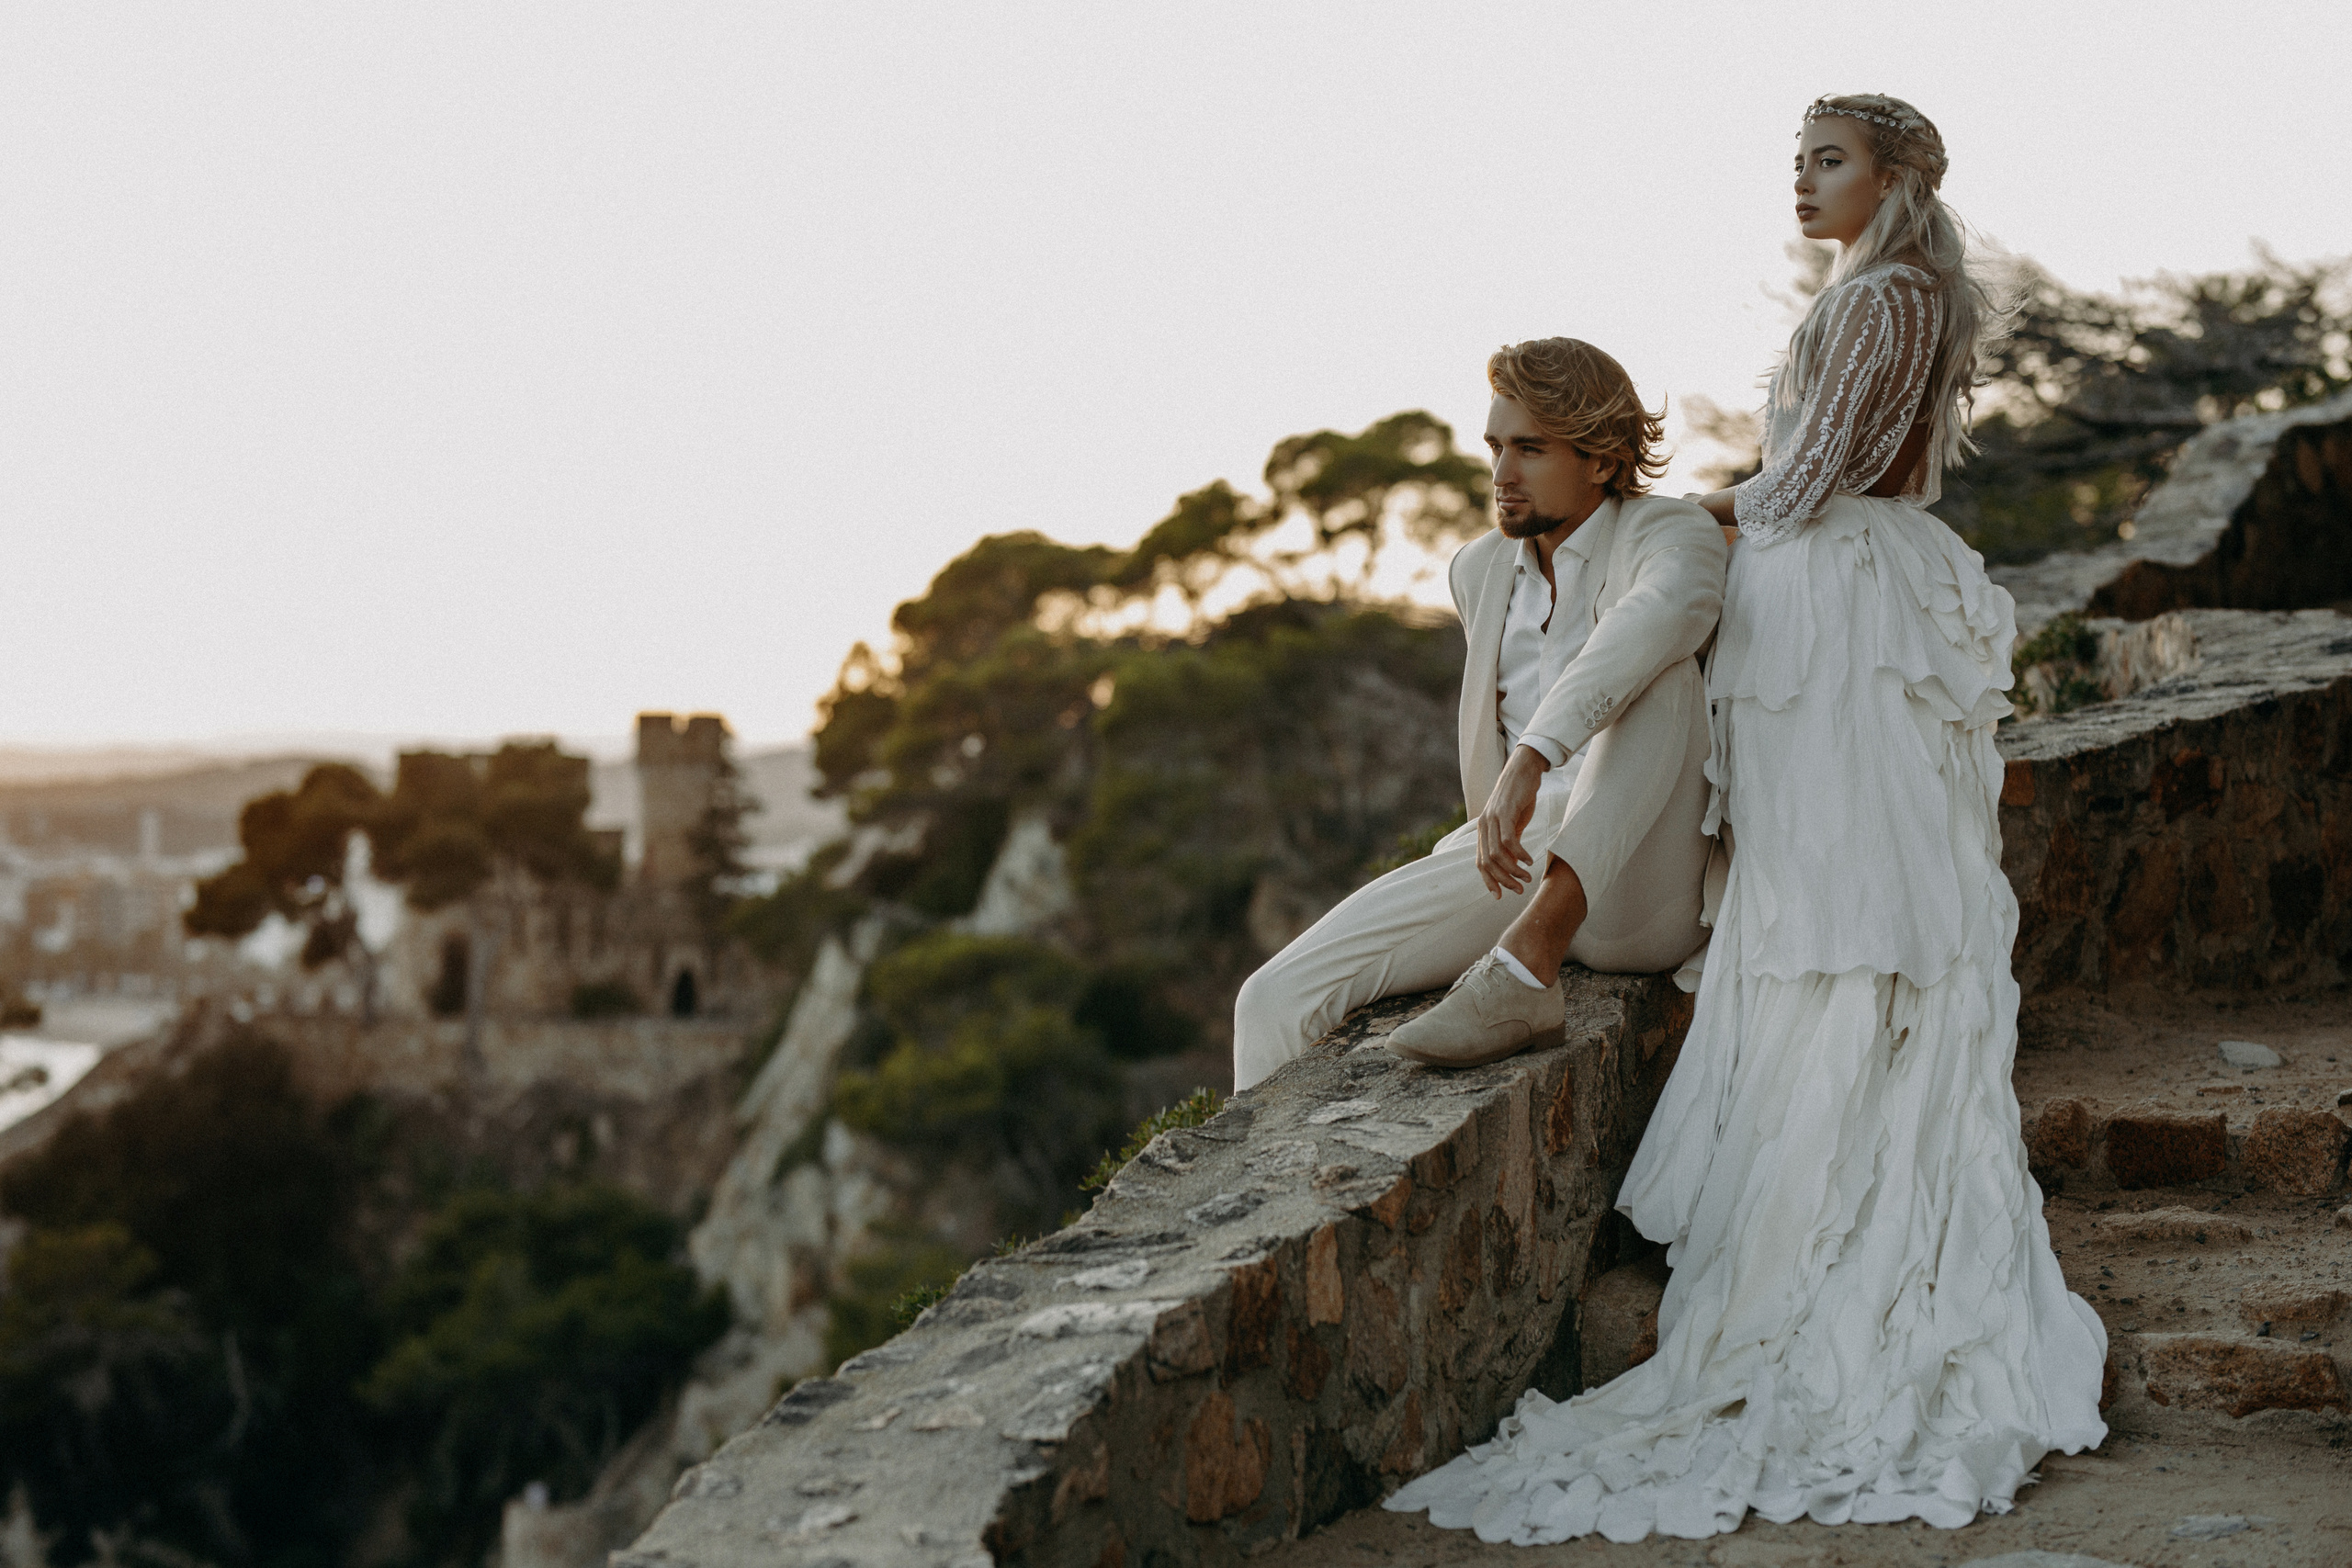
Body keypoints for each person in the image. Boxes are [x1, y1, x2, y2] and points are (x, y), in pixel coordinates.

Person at [1385, 94, 2108, 1544]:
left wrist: (1710, 509)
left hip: (1845, 598)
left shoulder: (1896, 293)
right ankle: (1802, 1156)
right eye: (1798, 160)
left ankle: (1849, 1184)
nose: (1803, 180)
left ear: (1896, 177)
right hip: (1813, 600)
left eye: (1829, 160)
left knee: (1850, 887)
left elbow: (1821, 471)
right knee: (1798, 880)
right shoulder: (1862, 288)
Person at [1232, 338, 1727, 1092]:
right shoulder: (1478, 570)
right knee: (1273, 997)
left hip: (1635, 890)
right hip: (1510, 860)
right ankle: (1263, 1198)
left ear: (1602, 460)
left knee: (1662, 675)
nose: (1501, 474)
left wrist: (1532, 757)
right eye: (1495, 446)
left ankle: (1530, 968)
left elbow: (1659, 617)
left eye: (1530, 449)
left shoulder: (1670, 533)